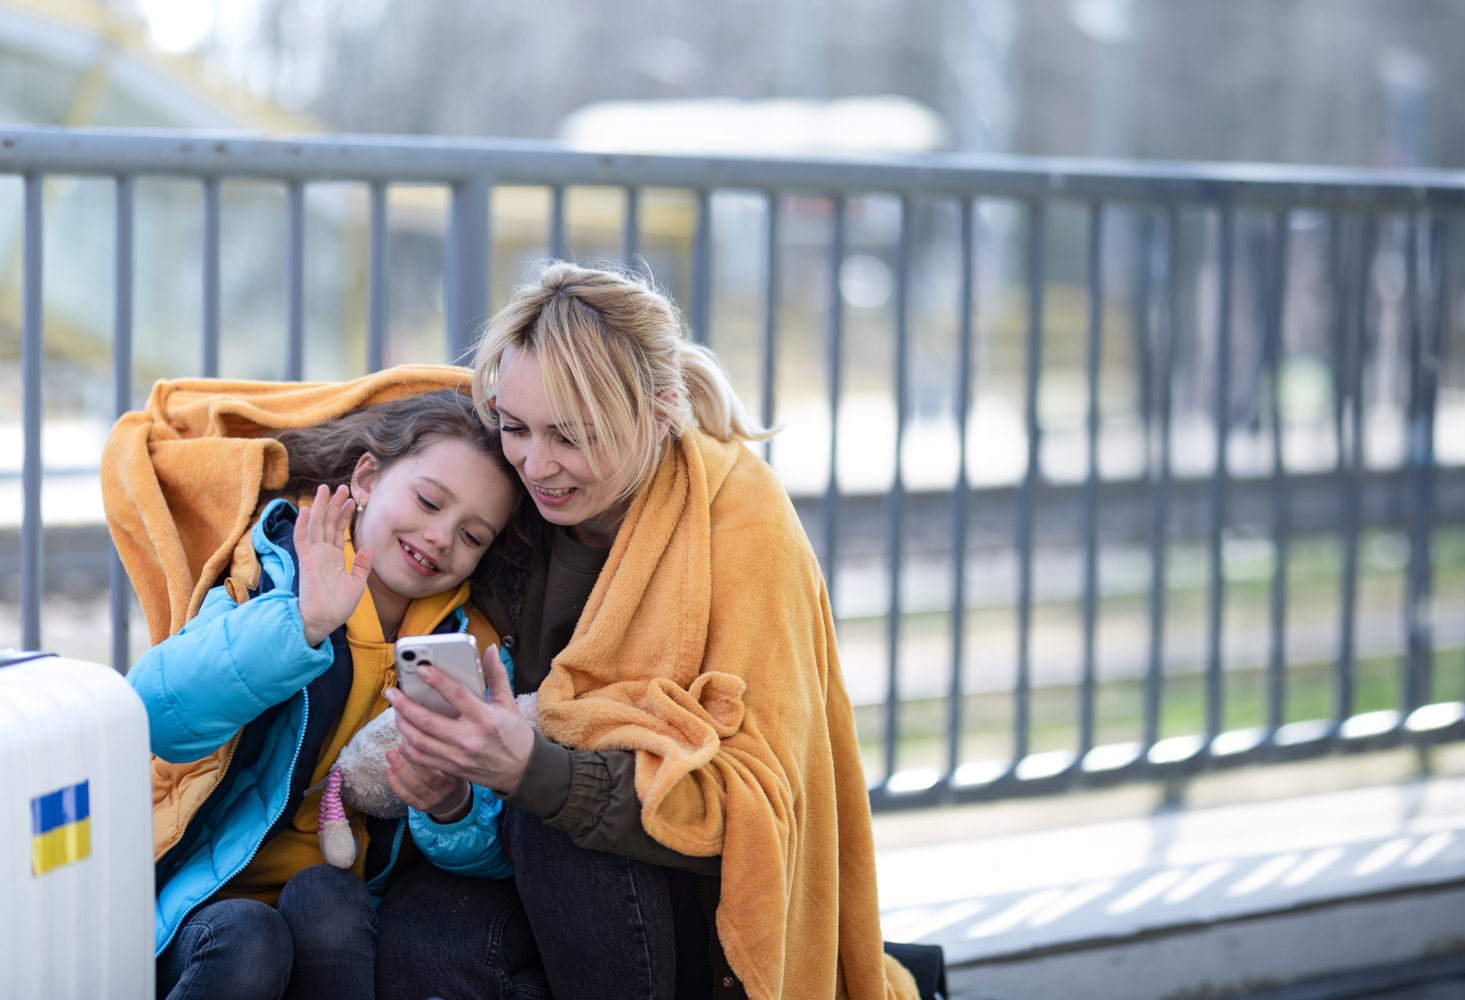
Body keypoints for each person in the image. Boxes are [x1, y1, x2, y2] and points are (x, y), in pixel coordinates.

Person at [378, 262, 921, 999]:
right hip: (503, 856)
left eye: (573, 438)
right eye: (514, 427)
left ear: (661, 412)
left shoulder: (744, 530)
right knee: (418, 927)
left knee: (555, 836)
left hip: (693, 911)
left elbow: (760, 810)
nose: (537, 466)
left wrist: (534, 772)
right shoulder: (498, 499)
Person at [129, 390, 527, 1000]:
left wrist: (450, 807)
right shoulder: (270, 576)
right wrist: (302, 625)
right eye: (427, 501)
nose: (442, 536)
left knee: (327, 896)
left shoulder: (467, 648)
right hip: (205, 908)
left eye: (473, 536)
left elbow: (491, 860)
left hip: (342, 912)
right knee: (250, 935)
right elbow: (156, 713)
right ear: (366, 477)